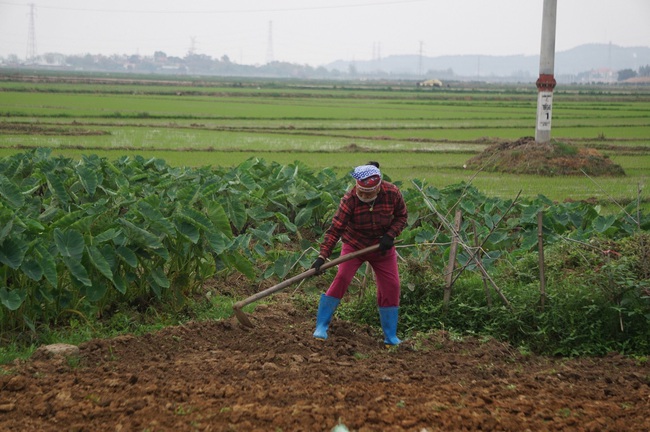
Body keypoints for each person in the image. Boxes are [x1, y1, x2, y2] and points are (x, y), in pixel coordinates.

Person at [311, 162, 408, 346]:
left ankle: (390, 336)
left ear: (378, 188)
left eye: (368, 194)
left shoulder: (392, 193)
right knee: (342, 278)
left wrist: (390, 234)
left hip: (382, 246)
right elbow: (335, 229)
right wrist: (322, 256)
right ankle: (321, 326)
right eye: (361, 192)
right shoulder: (350, 200)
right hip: (354, 245)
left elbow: (402, 216)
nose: (363, 196)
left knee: (392, 286)